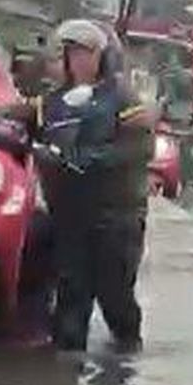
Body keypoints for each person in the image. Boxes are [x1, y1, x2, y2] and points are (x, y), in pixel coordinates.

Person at [29, 19, 153, 353]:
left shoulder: (125, 100)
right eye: (71, 53)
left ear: (105, 57)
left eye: (86, 53)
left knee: (116, 300)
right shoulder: (53, 102)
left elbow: (138, 147)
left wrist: (87, 158)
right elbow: (21, 116)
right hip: (71, 217)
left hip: (116, 216)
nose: (77, 60)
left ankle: (125, 361)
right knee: (70, 305)